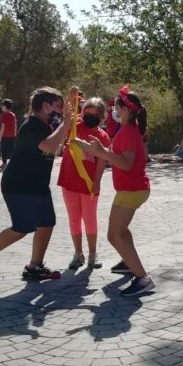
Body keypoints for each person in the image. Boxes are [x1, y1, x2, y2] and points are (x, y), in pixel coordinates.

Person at [0, 87, 72, 283]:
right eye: (58, 106)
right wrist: (65, 124)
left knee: (46, 223)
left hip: (37, 184)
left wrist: (64, 129)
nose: (60, 111)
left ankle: (35, 267)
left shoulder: (45, 126)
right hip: (18, 185)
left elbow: (54, 149)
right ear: (45, 106)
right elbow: (48, 146)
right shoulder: (32, 125)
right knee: (22, 227)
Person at [84, 86, 156, 297]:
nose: (113, 110)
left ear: (125, 110)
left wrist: (102, 153)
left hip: (131, 189)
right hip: (132, 189)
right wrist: (96, 150)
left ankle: (143, 278)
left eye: (116, 107)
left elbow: (126, 163)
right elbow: (120, 156)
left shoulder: (128, 132)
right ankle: (129, 263)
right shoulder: (128, 130)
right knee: (122, 232)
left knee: (114, 235)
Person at [59, 97, 110, 271]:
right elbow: (65, 119)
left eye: (94, 114)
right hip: (69, 180)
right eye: (87, 112)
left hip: (89, 184)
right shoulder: (74, 127)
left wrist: (97, 182)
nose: (89, 116)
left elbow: (102, 161)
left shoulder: (102, 136)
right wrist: (70, 100)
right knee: (74, 218)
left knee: (90, 218)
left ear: (101, 117)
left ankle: (93, 254)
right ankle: (78, 253)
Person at [0, 99, 18, 168]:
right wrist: (15, 134)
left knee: (4, 150)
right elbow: (15, 125)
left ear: (5, 106)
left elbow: (3, 126)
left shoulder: (4, 115)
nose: (1, 107)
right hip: (12, 136)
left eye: (2, 106)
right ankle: (16, 162)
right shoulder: (13, 114)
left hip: (5, 136)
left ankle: (4, 163)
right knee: (12, 150)